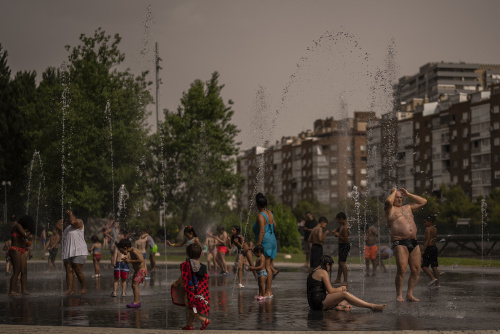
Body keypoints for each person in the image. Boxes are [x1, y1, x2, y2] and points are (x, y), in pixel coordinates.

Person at [385, 187, 427, 302]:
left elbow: (423, 201)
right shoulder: (390, 209)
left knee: (416, 269)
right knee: (402, 269)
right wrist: (393, 192)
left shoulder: (408, 208)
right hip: (400, 242)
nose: (399, 199)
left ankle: (409, 294)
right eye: (397, 197)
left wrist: (408, 194)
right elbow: (388, 201)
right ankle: (399, 295)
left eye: (400, 197)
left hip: (413, 241)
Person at [307, 255, 386, 312]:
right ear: (327, 264)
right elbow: (330, 291)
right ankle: (372, 306)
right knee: (344, 295)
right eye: (330, 267)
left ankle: (340, 307)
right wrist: (341, 288)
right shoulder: (323, 272)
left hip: (313, 304)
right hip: (319, 303)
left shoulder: (313, 272)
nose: (329, 270)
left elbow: (322, 291)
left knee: (344, 300)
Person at [172, 243, 210, 330]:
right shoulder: (202, 266)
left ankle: (203, 320)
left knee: (189, 307)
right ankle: (190, 325)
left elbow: (184, 276)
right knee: (193, 306)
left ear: (188, 254)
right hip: (200, 290)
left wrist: (176, 283)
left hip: (191, 291)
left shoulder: (187, 264)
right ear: (200, 254)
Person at [252, 193, 277, 298]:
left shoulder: (260, 215)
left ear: (257, 204)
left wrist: (258, 245)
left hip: (265, 241)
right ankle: (268, 291)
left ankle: (267, 292)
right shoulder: (270, 213)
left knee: (266, 267)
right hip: (272, 239)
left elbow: (262, 231)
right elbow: (274, 226)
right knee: (269, 266)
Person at [61, 210, 87, 295]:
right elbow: (59, 227)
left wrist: (70, 213)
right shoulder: (67, 226)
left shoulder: (79, 222)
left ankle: (83, 288)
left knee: (77, 270)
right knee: (68, 270)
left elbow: (73, 222)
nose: (68, 217)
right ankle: (69, 289)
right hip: (68, 250)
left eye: (70, 215)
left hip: (79, 250)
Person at [8, 214, 35, 295]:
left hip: (23, 249)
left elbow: (26, 238)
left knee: (24, 270)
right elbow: (25, 235)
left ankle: (24, 290)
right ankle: (11, 291)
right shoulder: (17, 225)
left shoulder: (22, 228)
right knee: (17, 270)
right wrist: (30, 232)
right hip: (15, 250)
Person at [117, 238, 147, 308]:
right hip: (138, 271)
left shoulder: (134, 251)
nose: (121, 253)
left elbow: (141, 260)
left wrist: (130, 261)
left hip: (141, 271)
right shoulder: (131, 251)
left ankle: (136, 302)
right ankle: (137, 301)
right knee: (133, 285)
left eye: (121, 251)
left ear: (125, 248)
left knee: (134, 285)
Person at [421, 215, 440, 288]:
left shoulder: (428, 229)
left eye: (425, 222)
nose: (424, 224)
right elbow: (432, 239)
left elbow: (428, 240)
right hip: (434, 248)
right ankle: (438, 284)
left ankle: (432, 278)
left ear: (430, 222)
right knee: (434, 266)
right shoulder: (434, 229)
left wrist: (423, 250)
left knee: (424, 266)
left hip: (428, 248)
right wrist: (423, 242)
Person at [332, 212, 350, 286]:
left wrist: (338, 235)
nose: (338, 222)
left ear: (341, 219)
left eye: (338, 220)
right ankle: (338, 278)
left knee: (342, 263)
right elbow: (336, 231)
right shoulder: (341, 226)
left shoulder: (345, 227)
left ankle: (346, 280)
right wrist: (335, 232)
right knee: (339, 263)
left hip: (345, 245)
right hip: (341, 245)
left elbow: (346, 240)